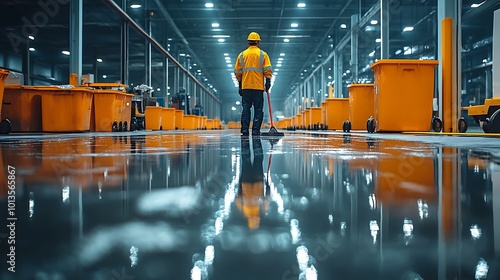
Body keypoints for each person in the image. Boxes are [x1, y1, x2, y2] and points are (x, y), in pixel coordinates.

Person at [234, 32, 273, 136]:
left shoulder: (242, 55)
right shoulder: (263, 54)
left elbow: (238, 71)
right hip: (258, 87)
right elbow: (267, 69)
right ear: (258, 42)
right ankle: (256, 130)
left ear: (248, 42)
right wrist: (268, 81)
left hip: (246, 86)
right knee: (258, 109)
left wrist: (240, 84)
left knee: (246, 108)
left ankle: (245, 129)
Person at [236, 136, 270, 230]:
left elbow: (267, 196)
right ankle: (247, 141)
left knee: (258, 158)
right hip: (246, 181)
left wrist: (267, 184)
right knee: (245, 157)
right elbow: (239, 196)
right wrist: (240, 180)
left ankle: (255, 143)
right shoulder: (242, 208)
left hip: (257, 180)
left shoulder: (261, 208)